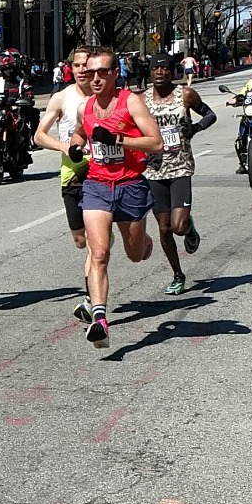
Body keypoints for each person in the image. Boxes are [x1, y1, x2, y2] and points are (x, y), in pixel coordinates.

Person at [76, 46, 161, 346]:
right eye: (90, 73)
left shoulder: (130, 102)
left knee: (134, 255)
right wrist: (75, 145)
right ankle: (100, 320)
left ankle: (144, 241)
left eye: (102, 72)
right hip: (97, 186)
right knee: (99, 253)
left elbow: (156, 143)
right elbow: (80, 132)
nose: (95, 79)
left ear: (115, 73)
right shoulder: (85, 107)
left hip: (130, 186)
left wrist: (117, 139)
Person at [35, 46, 95, 322]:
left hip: (101, 174)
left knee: (95, 243)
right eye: (77, 65)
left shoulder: (105, 96)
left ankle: (91, 300)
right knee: (80, 241)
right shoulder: (61, 98)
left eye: (86, 65)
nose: (82, 70)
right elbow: (39, 136)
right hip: (72, 175)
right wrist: (65, 146)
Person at [143, 58, 209, 296]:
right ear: (150, 72)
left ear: (172, 72)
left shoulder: (186, 94)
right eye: (155, 68)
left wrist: (196, 127)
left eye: (165, 68)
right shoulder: (141, 100)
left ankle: (188, 226)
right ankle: (178, 275)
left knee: (178, 227)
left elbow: (210, 115)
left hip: (181, 167)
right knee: (164, 228)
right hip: (154, 170)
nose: (160, 72)